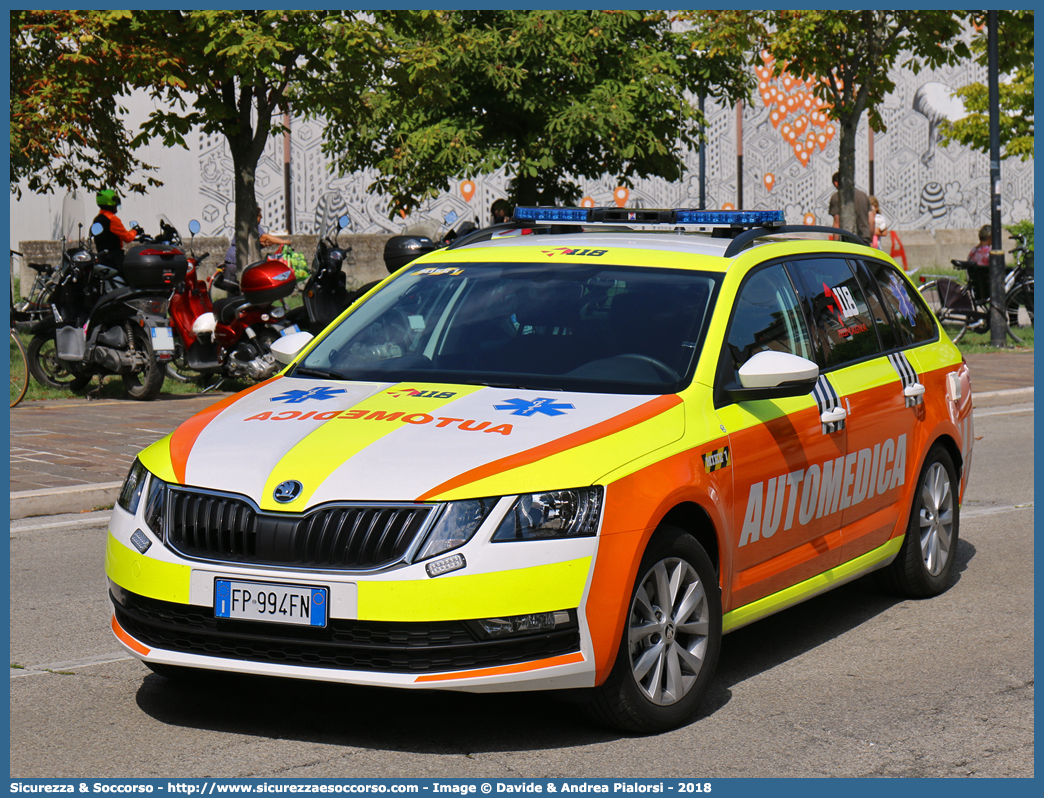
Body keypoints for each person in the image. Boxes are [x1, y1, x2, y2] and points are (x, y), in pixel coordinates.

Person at [219, 208, 291, 292]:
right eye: (260, 216)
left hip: (235, 255)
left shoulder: (245, 226)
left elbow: (257, 242)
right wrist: (283, 241)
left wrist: (268, 243)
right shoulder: (253, 226)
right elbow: (265, 237)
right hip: (238, 256)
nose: (261, 218)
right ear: (255, 217)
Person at [92, 190, 139, 267]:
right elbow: (128, 238)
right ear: (111, 203)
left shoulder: (97, 219)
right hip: (115, 258)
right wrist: (135, 231)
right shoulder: (112, 219)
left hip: (102, 257)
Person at [828, 172, 872, 243]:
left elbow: (837, 222)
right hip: (864, 239)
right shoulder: (864, 195)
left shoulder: (837, 197)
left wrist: (835, 243)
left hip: (848, 239)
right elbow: (871, 220)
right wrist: (871, 239)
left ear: (836, 183)